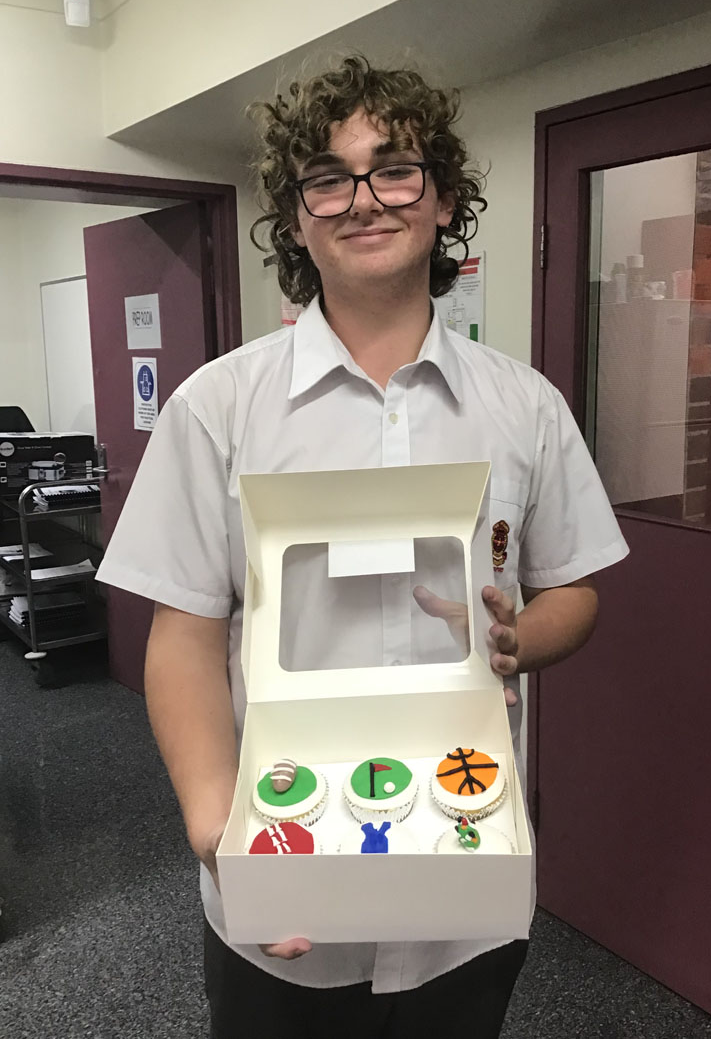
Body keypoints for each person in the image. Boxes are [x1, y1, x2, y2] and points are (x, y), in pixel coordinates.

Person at [96, 55, 629, 1038]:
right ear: (296, 218)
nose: (363, 199)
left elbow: (574, 590)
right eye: (327, 179)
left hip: (463, 874)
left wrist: (518, 637)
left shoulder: (524, 407)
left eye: (393, 169)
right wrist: (217, 829)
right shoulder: (218, 408)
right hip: (284, 865)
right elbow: (184, 633)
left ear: (443, 198)